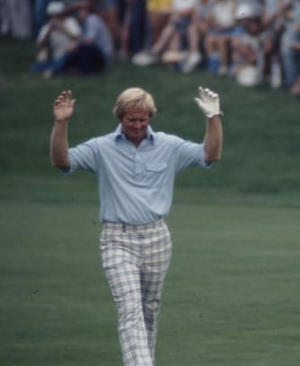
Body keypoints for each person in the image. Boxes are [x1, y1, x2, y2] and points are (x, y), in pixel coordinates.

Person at [49, 86, 223, 366]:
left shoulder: (169, 145)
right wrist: (61, 123)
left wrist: (213, 117)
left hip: (157, 238)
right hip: (117, 239)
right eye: (132, 120)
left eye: (144, 119)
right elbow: (61, 160)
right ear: (120, 117)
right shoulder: (101, 147)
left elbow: (209, 154)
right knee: (130, 309)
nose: (138, 125)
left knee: (148, 311)